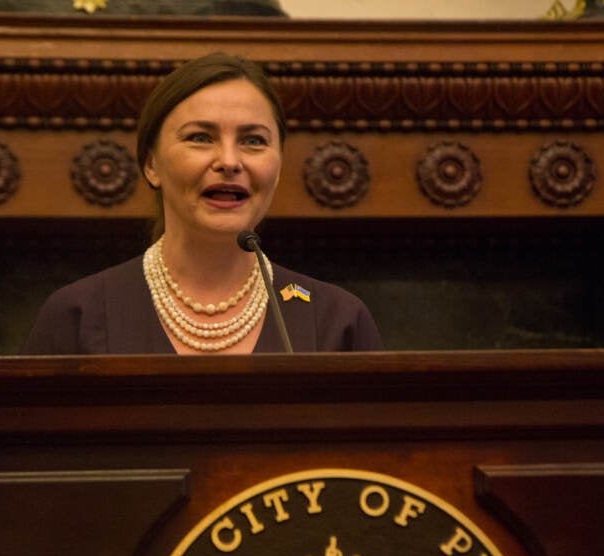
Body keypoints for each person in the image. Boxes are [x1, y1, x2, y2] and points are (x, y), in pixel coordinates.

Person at [22, 53, 382, 354]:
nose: (229, 161)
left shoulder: (338, 321)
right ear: (151, 164)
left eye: (254, 140)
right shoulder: (77, 317)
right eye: (200, 137)